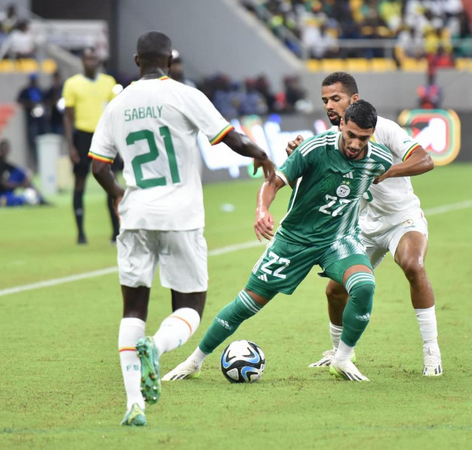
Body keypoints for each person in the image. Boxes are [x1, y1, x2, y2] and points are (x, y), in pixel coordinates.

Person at [87, 31, 276, 427]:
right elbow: (231, 139)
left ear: (137, 61)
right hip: (181, 218)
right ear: (169, 61)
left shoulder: (116, 105)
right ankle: (155, 348)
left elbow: (99, 167)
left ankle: (133, 401)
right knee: (189, 307)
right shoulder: (185, 94)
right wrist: (261, 154)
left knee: (133, 307)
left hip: (136, 215)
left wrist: (120, 196)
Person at [163, 100, 393, 386]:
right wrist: (262, 210)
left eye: (364, 138)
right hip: (294, 241)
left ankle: (342, 358)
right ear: (342, 125)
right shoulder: (314, 149)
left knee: (364, 285)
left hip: (338, 239)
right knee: (247, 304)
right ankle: (194, 361)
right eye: (351, 135)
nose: (356, 144)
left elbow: (384, 178)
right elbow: (273, 182)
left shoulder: (379, 159)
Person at [288, 72, 441, 376]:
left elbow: (425, 160)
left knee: (412, 264)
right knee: (334, 291)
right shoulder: (332, 139)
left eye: (336, 98)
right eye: (325, 100)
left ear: (353, 99)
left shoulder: (383, 129)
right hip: (363, 225)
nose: (329, 106)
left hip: (401, 217)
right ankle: (340, 353)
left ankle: (431, 350)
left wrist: (386, 172)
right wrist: (298, 160)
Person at [63, 47, 121, 245]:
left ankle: (116, 231)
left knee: (111, 181)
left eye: (94, 59)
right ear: (82, 61)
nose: (91, 62)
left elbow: (116, 113)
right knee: (80, 183)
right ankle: (80, 233)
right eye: (87, 58)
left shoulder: (109, 82)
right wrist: (70, 145)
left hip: (106, 136)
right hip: (83, 136)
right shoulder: (72, 84)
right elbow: (68, 117)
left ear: (99, 61)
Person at [0, 139, 47, 207]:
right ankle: (30, 198)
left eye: (7, 149)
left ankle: (39, 197)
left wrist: (27, 175)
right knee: (20, 200)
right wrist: (21, 185)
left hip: (5, 193)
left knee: (19, 172)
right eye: (4, 149)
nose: (6, 151)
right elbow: (4, 184)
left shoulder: (4, 163)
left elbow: (19, 170)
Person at [17, 73, 46, 160]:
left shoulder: (40, 90)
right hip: (31, 120)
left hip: (41, 121)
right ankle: (34, 160)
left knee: (43, 139)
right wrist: (30, 105)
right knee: (32, 141)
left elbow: (45, 101)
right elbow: (19, 100)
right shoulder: (26, 91)